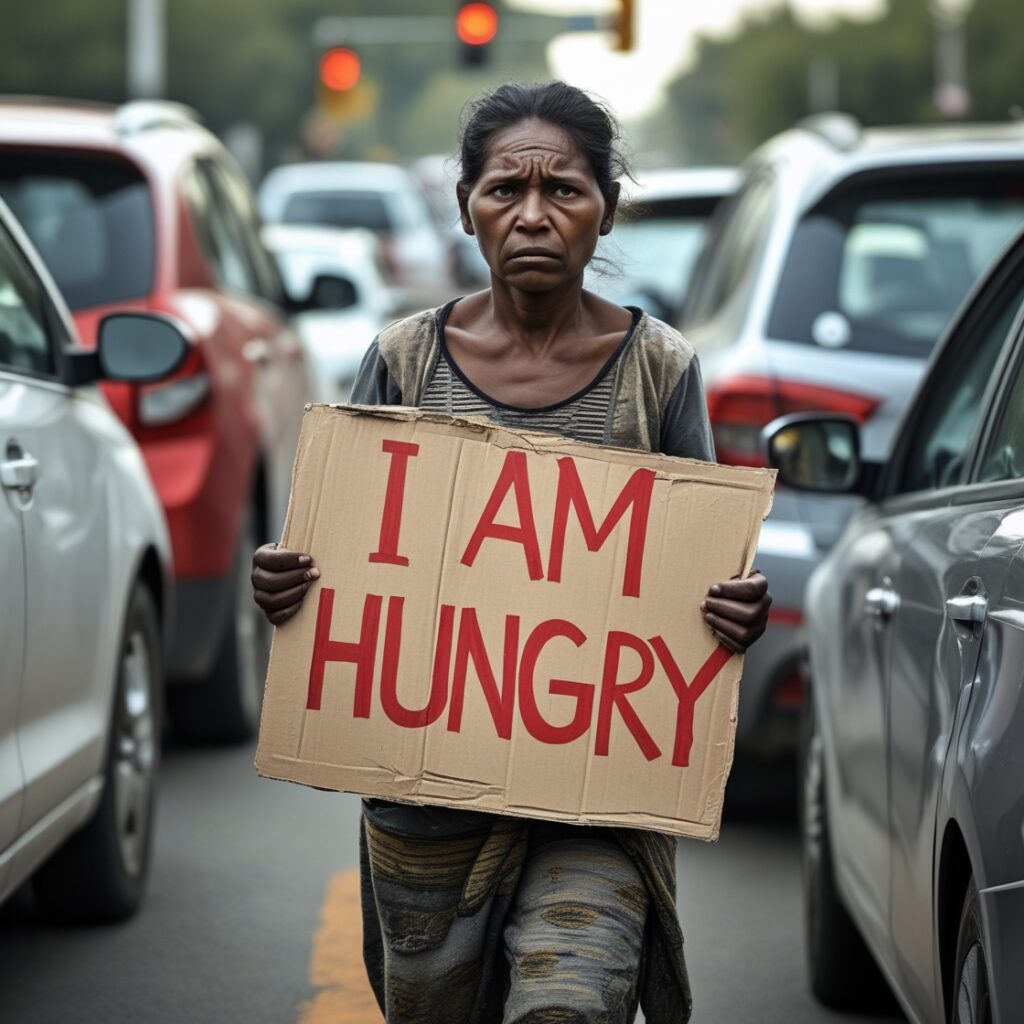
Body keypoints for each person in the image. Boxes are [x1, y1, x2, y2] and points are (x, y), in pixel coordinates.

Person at [251, 81, 772, 1024]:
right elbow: (341, 558)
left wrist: (737, 609)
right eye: (504, 190)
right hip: (426, 815)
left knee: (570, 1004)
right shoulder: (405, 364)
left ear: (605, 209)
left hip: (597, 811)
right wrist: (287, 582)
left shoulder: (661, 373)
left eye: (564, 191)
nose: (533, 215)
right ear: (465, 209)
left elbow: (705, 569)